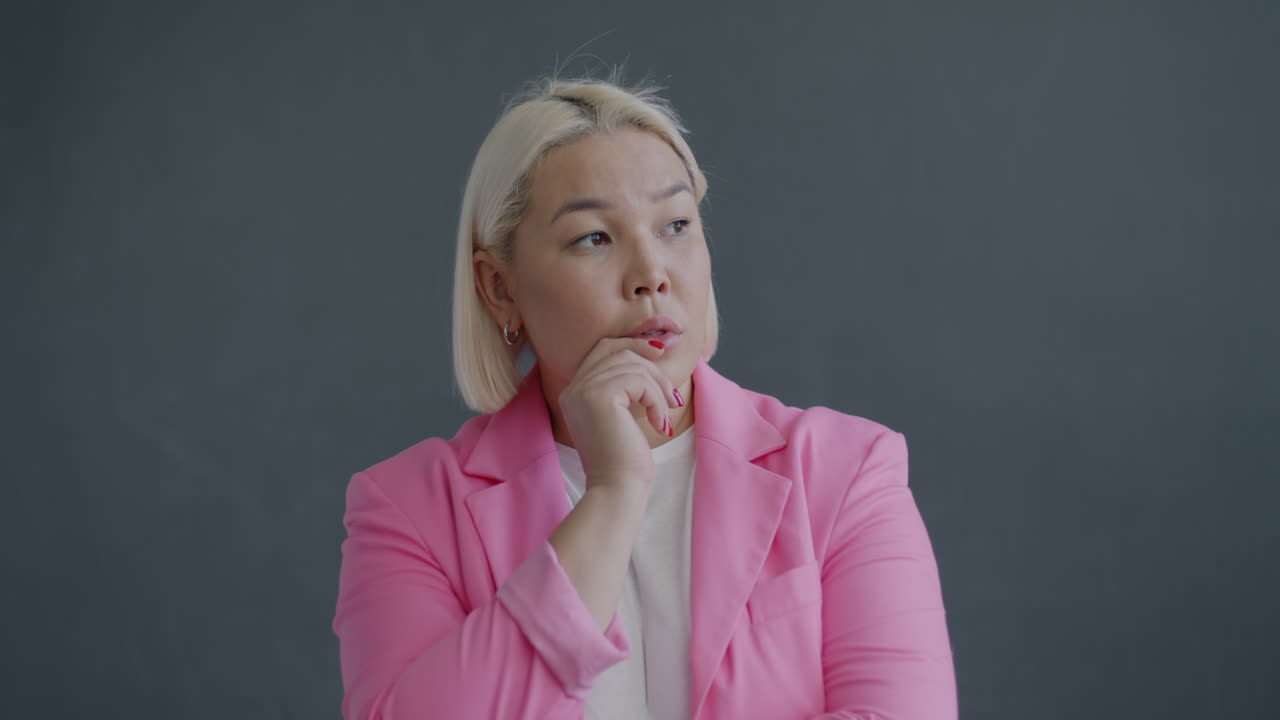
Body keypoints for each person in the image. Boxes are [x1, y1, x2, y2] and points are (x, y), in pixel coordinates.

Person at [332, 69, 957, 720]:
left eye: (676, 224)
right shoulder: (406, 511)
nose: (652, 274)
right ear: (499, 287)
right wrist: (612, 495)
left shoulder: (846, 471)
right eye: (594, 238)